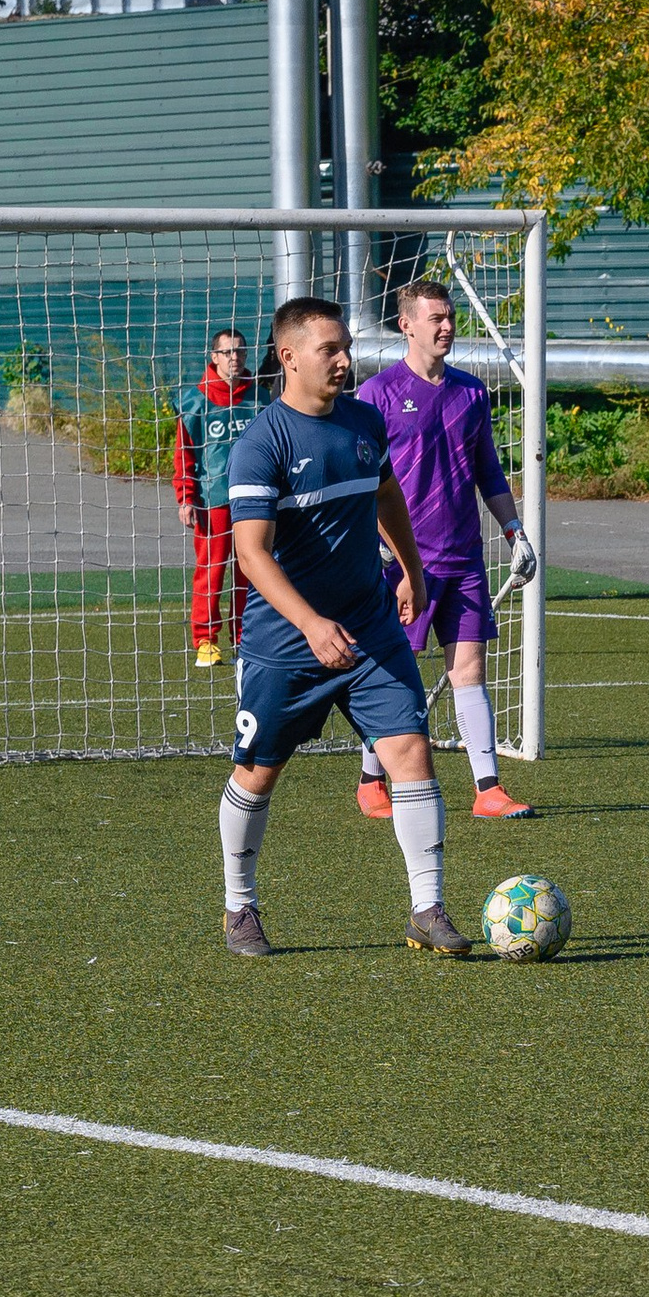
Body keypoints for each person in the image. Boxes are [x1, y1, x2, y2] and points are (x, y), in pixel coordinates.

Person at [218, 295, 473, 960]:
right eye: (329, 349)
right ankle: (239, 907)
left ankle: (428, 906)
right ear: (289, 356)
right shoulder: (260, 444)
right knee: (257, 774)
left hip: (369, 628)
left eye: (345, 348)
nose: (343, 360)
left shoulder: (363, 420)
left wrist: (412, 573)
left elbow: (386, 492)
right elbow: (251, 553)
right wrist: (308, 623)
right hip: (285, 643)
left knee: (411, 753)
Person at [351, 280, 540, 821]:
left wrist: (514, 533)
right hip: (404, 562)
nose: (447, 326)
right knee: (395, 671)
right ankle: (371, 779)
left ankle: (488, 789)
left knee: (470, 671)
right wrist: (377, 545)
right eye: (435, 317)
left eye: (450, 316)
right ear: (405, 324)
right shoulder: (377, 394)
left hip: (463, 559)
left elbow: (488, 472)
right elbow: (364, 481)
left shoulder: (472, 393)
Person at [173, 330, 258, 669]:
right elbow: (184, 455)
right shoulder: (195, 402)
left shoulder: (261, 398)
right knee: (211, 571)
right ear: (214, 357)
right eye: (227, 352)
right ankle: (205, 640)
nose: (234, 357)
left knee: (252, 570)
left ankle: (245, 638)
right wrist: (186, 497)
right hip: (214, 501)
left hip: (255, 501)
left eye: (239, 351)